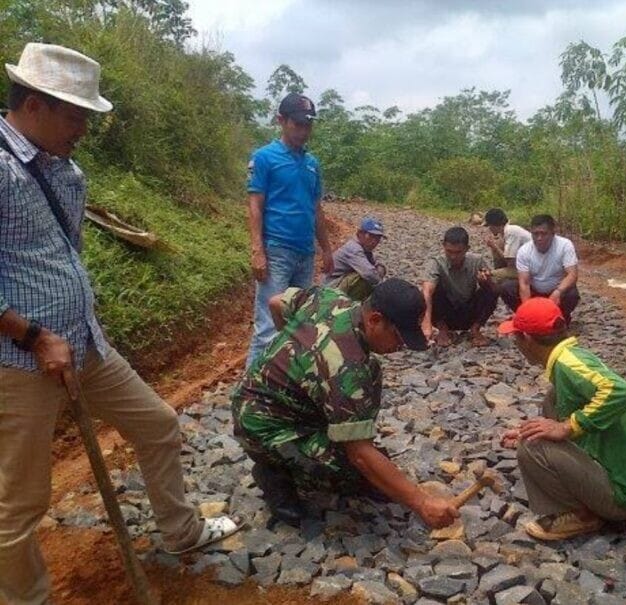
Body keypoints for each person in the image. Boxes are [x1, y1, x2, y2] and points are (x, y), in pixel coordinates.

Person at [0, 43, 240, 604]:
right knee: (19, 503)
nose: (83, 129)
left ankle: (181, 531)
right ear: (34, 105)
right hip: (20, 360)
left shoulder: (67, 173)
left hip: (83, 345)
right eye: (75, 116)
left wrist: (71, 322)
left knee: (158, 424)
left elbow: (66, 255)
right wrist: (34, 335)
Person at [231, 278, 459, 529]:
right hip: (262, 424)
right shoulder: (348, 368)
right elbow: (360, 455)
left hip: (270, 398)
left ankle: (319, 439)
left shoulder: (329, 298)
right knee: (352, 472)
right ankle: (272, 472)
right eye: (398, 336)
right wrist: (422, 503)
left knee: (371, 377)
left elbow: (275, 302)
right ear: (374, 320)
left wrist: (293, 352)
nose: (400, 346)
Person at [499, 298, 626, 541]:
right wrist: (528, 430)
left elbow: (623, 392)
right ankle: (587, 496)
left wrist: (568, 427)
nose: (515, 343)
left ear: (526, 338)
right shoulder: (571, 356)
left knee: (532, 447)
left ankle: (582, 515)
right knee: (552, 400)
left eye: (515, 337)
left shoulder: (568, 364)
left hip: (623, 499)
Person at [246, 92, 333, 369]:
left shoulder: (312, 164)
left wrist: (326, 249)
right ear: (281, 121)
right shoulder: (264, 158)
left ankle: (286, 382)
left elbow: (316, 209)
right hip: (276, 251)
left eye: (308, 125)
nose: (304, 131)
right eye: (298, 124)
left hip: (305, 254)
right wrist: (257, 250)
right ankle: (252, 387)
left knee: (298, 323)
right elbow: (255, 205)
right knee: (267, 327)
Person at [421, 226, 498, 347]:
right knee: (429, 289)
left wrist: (485, 281)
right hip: (446, 313)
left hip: (469, 311)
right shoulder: (437, 262)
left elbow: (493, 288)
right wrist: (426, 324)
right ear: (443, 246)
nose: (453, 256)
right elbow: (427, 292)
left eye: (458, 252)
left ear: (467, 249)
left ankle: (475, 330)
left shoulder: (476, 261)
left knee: (492, 289)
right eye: (449, 251)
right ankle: (443, 330)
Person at [502, 214, 580, 324]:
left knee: (572, 294)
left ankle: (559, 318)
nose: (539, 238)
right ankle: (530, 318)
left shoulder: (565, 245)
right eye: (535, 234)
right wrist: (528, 309)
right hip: (535, 292)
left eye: (544, 234)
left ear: (552, 233)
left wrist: (558, 292)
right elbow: (524, 283)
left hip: (556, 291)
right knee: (507, 288)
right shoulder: (524, 251)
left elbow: (572, 274)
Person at [323, 217, 387, 300]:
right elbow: (369, 274)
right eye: (371, 236)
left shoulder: (364, 248)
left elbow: (377, 264)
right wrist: (384, 288)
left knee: (374, 272)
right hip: (329, 289)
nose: (374, 241)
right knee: (361, 278)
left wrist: (380, 269)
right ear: (359, 233)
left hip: (338, 284)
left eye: (377, 238)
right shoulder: (354, 249)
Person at [482, 207, 531, 288]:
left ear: (493, 225)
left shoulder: (511, 232)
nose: (489, 229)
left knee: (490, 276)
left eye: (489, 226)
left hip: (530, 269)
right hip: (524, 264)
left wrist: (494, 247)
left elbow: (510, 262)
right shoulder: (508, 231)